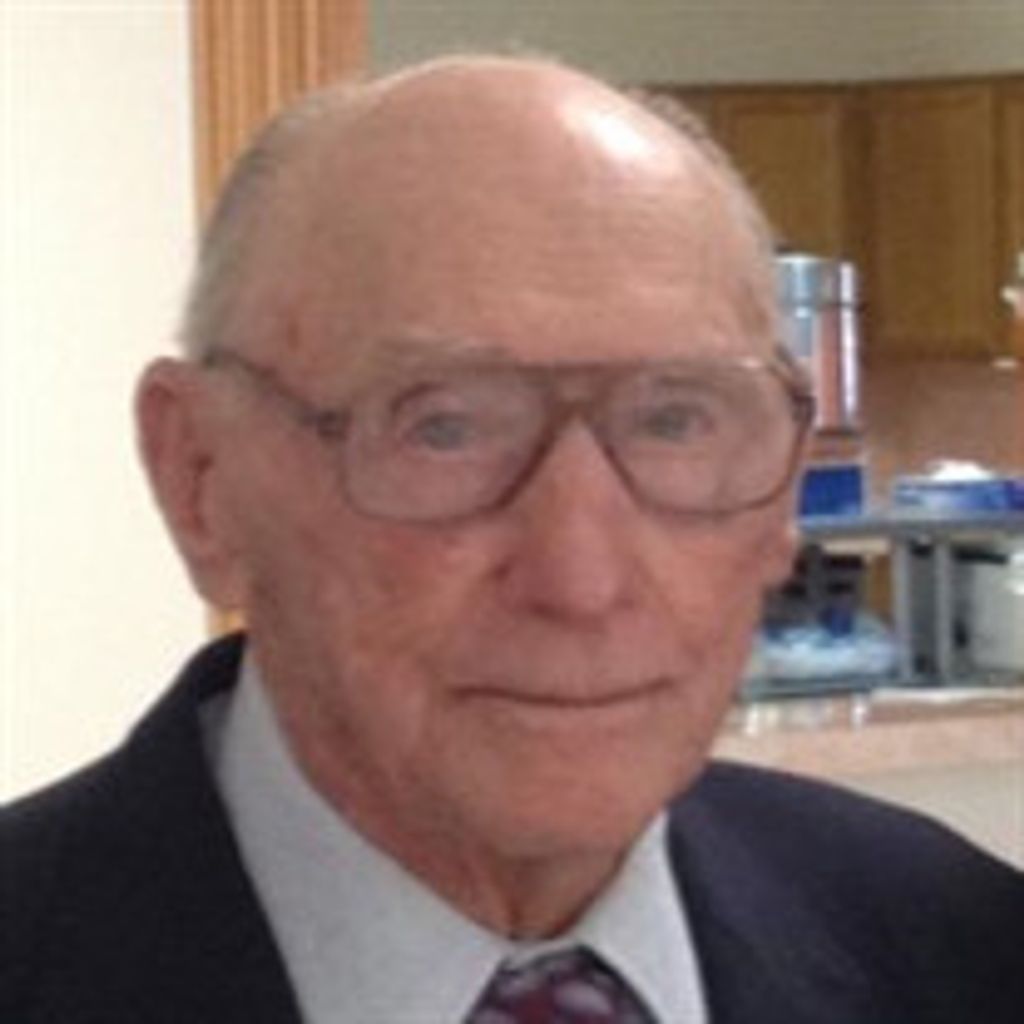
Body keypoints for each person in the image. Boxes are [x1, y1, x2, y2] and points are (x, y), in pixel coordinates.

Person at [2, 55, 1022, 1024]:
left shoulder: (963, 949)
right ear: (200, 478)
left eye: (674, 419)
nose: (581, 580)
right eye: (444, 426)